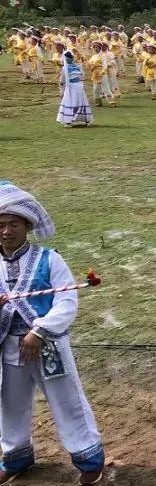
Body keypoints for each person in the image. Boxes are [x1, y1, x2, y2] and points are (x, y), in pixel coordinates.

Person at [0, 181, 106, 484]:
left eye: (13, 224)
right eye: (1, 225)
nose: (6, 231)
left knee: (67, 400)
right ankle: (16, 456)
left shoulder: (49, 259)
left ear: (26, 225)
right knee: (9, 404)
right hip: (7, 347)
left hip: (46, 346)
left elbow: (67, 302)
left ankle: (88, 458)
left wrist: (40, 331)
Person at [56, 51, 93, 128]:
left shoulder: (65, 68)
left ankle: (68, 121)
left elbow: (62, 81)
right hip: (79, 86)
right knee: (81, 101)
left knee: (69, 102)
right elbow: (82, 75)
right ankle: (86, 120)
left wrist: (62, 87)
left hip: (71, 87)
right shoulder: (78, 66)